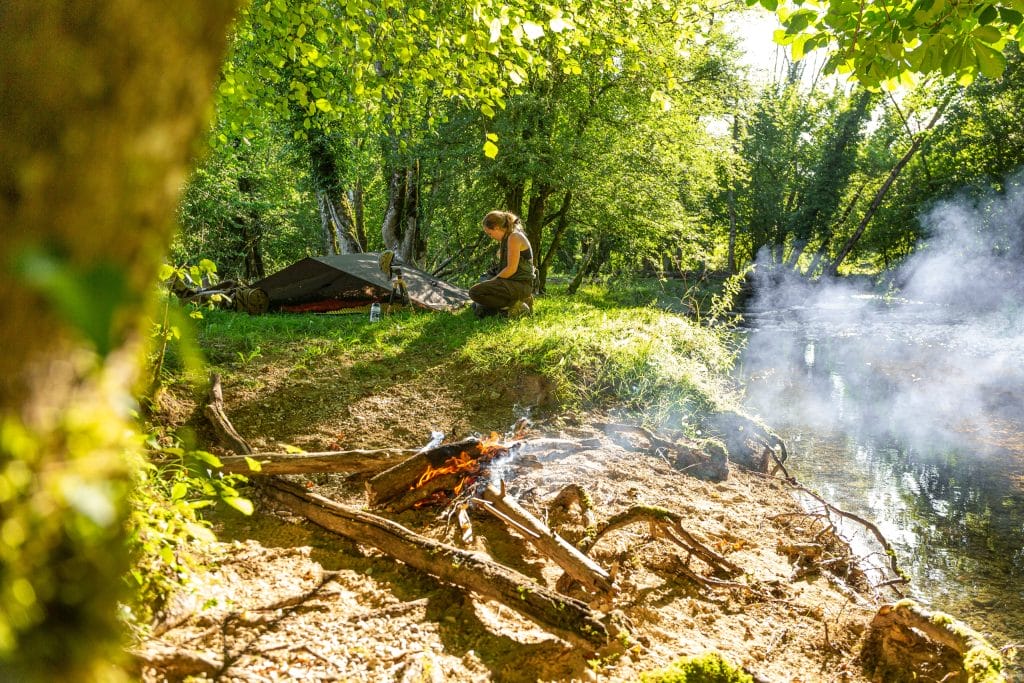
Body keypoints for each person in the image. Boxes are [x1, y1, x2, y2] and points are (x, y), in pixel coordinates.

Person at [469, 210, 535, 318]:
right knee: (479, 304)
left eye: (490, 233)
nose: (490, 236)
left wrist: (492, 281)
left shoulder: (514, 237)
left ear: (496, 227)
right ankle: (513, 306)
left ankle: (516, 305)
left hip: (521, 285)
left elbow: (511, 270)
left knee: (474, 292)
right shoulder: (507, 238)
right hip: (512, 283)